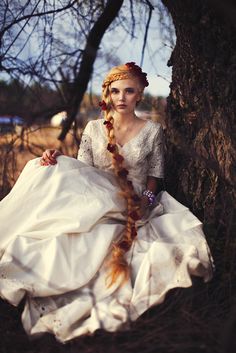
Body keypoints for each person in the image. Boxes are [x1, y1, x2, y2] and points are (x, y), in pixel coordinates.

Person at [0, 62, 213, 342]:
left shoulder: (152, 131)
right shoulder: (93, 128)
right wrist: (55, 158)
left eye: (129, 91)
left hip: (131, 197)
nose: (121, 97)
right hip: (95, 192)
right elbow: (80, 171)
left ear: (140, 94)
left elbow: (155, 177)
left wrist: (146, 204)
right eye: (115, 91)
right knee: (43, 167)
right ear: (108, 94)